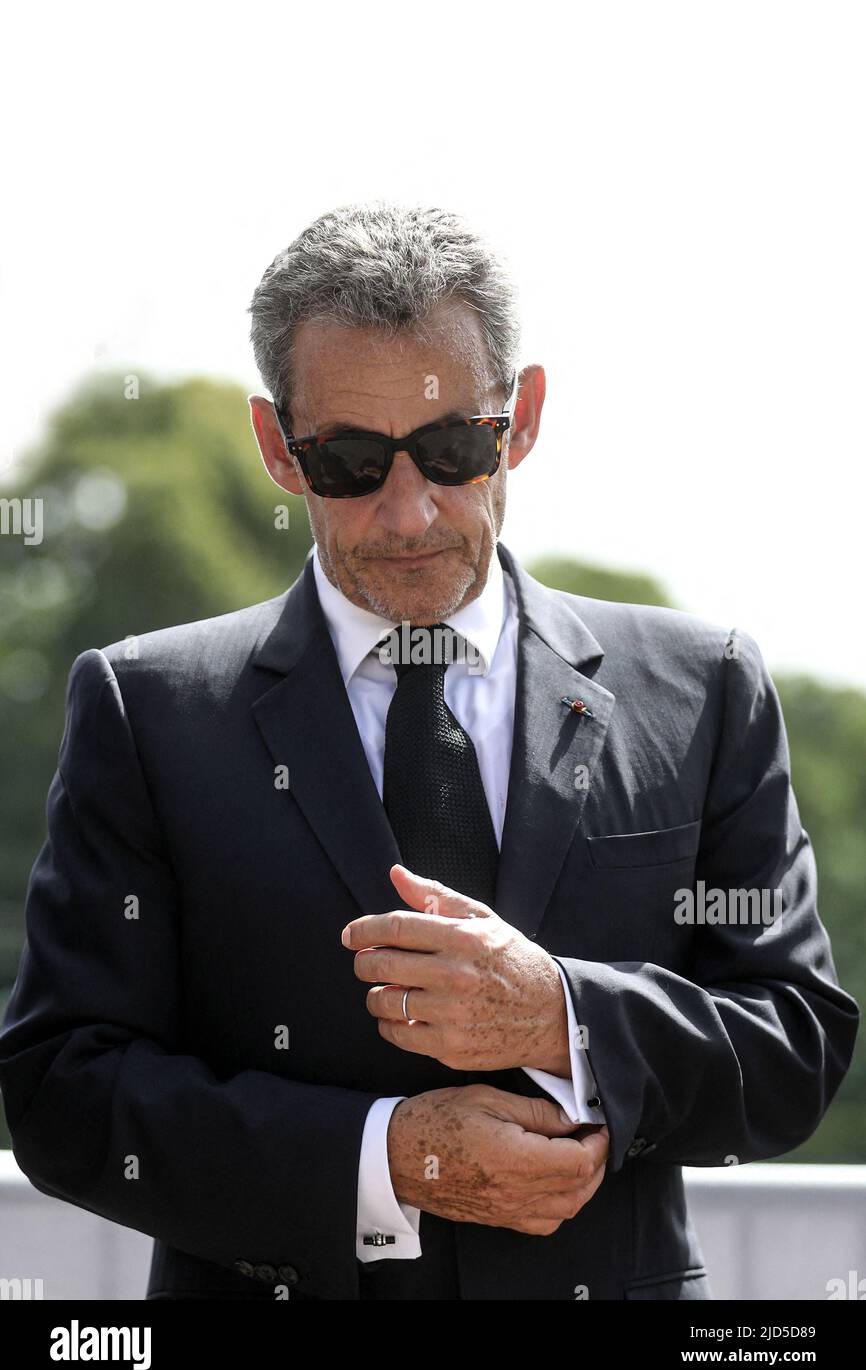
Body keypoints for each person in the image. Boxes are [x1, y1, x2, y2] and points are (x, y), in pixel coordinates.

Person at [0, 202, 858, 1301]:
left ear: (523, 418)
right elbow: (63, 1093)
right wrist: (387, 1157)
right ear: (277, 449)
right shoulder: (147, 709)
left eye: (453, 448)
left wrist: (562, 1012)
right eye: (350, 461)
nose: (408, 512)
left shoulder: (704, 685)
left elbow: (792, 1044)